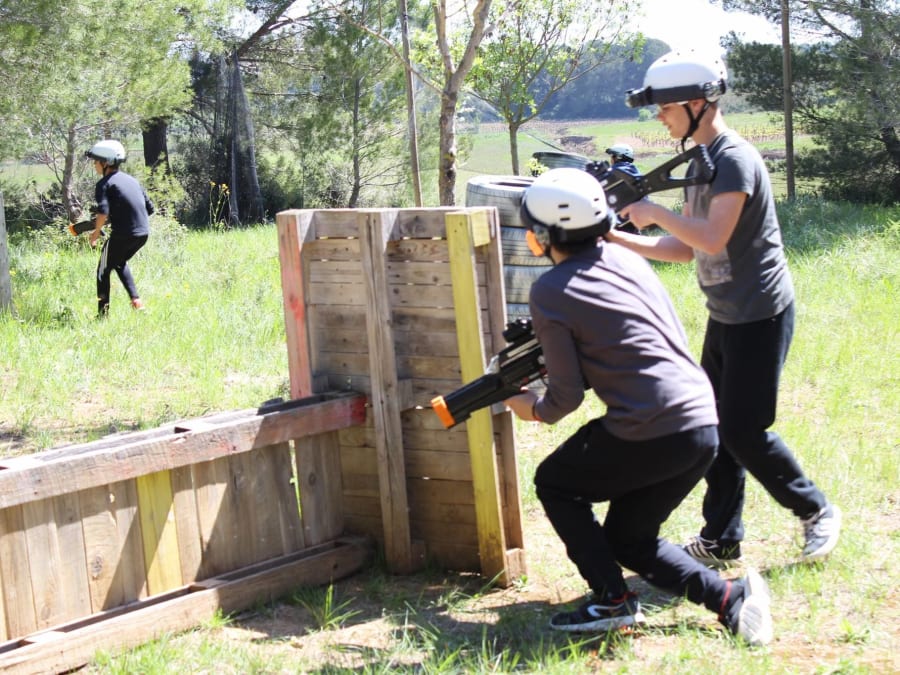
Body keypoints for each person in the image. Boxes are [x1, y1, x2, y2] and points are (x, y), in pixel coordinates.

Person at [503, 167, 773, 645]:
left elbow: (563, 399)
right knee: (629, 540)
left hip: (651, 427)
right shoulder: (628, 260)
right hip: (699, 422)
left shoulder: (549, 292)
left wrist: (526, 406)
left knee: (556, 483)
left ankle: (611, 599)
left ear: (541, 237)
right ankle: (731, 599)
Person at [607, 49, 841, 567]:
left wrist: (654, 212)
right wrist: (616, 238)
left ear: (696, 104)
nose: (659, 117)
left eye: (665, 108)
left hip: (760, 313)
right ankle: (721, 538)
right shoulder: (701, 161)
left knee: (744, 429)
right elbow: (684, 249)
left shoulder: (733, 159)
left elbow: (712, 237)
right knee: (714, 425)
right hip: (727, 314)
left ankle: (816, 510)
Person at [84, 139, 154, 317]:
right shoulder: (132, 181)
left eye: (96, 161)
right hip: (143, 234)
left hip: (123, 235)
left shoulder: (104, 184)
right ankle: (136, 300)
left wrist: (95, 233)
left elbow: (103, 211)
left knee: (102, 271)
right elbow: (150, 209)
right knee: (118, 262)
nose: (94, 165)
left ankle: (102, 316)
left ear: (105, 162)